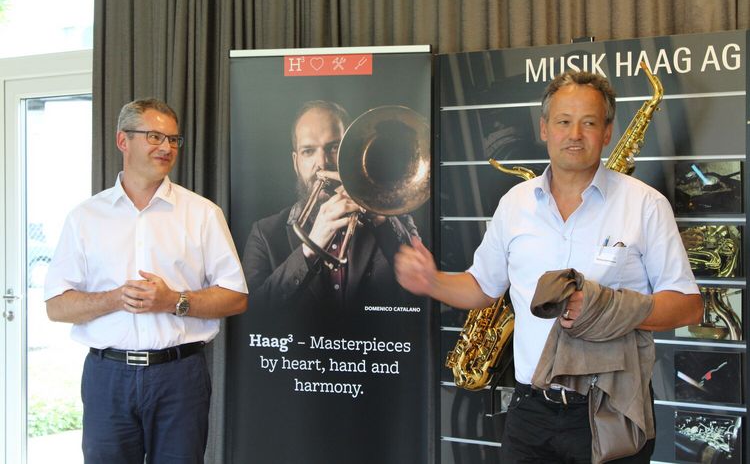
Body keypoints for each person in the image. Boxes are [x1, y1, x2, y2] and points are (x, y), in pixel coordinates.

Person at [395, 71, 703, 463]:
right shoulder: (514, 203)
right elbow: (482, 287)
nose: (575, 134)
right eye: (563, 121)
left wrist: (609, 307)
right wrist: (431, 281)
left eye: (589, 122)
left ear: (608, 132)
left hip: (611, 409)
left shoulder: (646, 205)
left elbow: (688, 306)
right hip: (530, 412)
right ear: (544, 128)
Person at [44, 98, 248, 463]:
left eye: (173, 139)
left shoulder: (202, 214)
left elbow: (236, 297)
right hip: (107, 377)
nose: (167, 147)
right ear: (123, 141)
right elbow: (57, 307)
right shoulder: (84, 218)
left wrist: (173, 301)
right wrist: (115, 298)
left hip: (180, 377)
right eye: (155, 136)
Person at [242, 100, 417, 313]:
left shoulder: (394, 220)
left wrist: (378, 216)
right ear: (296, 162)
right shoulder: (264, 234)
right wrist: (309, 249)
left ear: (352, 152)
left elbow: (420, 294)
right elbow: (253, 313)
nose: (322, 163)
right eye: (308, 151)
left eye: (334, 148)